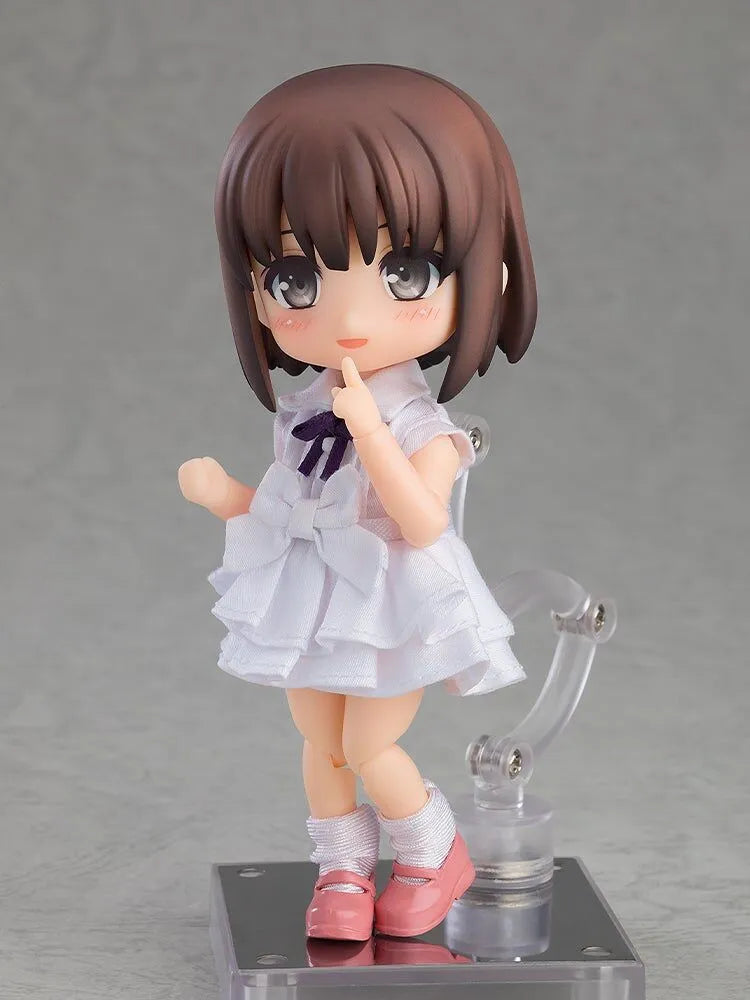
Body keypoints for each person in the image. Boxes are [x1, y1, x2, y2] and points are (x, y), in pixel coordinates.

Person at [179, 63, 538, 941]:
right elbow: (284, 509)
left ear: (483, 275)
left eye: (405, 272)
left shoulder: (426, 427)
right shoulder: (304, 413)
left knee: (372, 743)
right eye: (296, 280)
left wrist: (373, 433)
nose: (348, 315)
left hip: (390, 598)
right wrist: (226, 496)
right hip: (312, 590)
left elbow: (423, 522)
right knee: (320, 741)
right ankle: (342, 868)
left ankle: (432, 853)